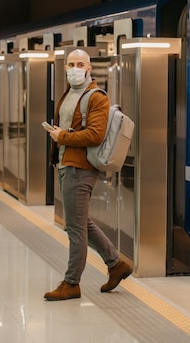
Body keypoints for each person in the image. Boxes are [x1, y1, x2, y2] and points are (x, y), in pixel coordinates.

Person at [44, 49, 132, 301]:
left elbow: (95, 134)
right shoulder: (69, 94)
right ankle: (116, 264)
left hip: (80, 167)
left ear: (89, 68)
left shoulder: (96, 97)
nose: (75, 68)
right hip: (65, 163)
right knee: (81, 221)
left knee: (75, 228)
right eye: (71, 64)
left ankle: (71, 283)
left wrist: (63, 136)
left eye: (80, 64)